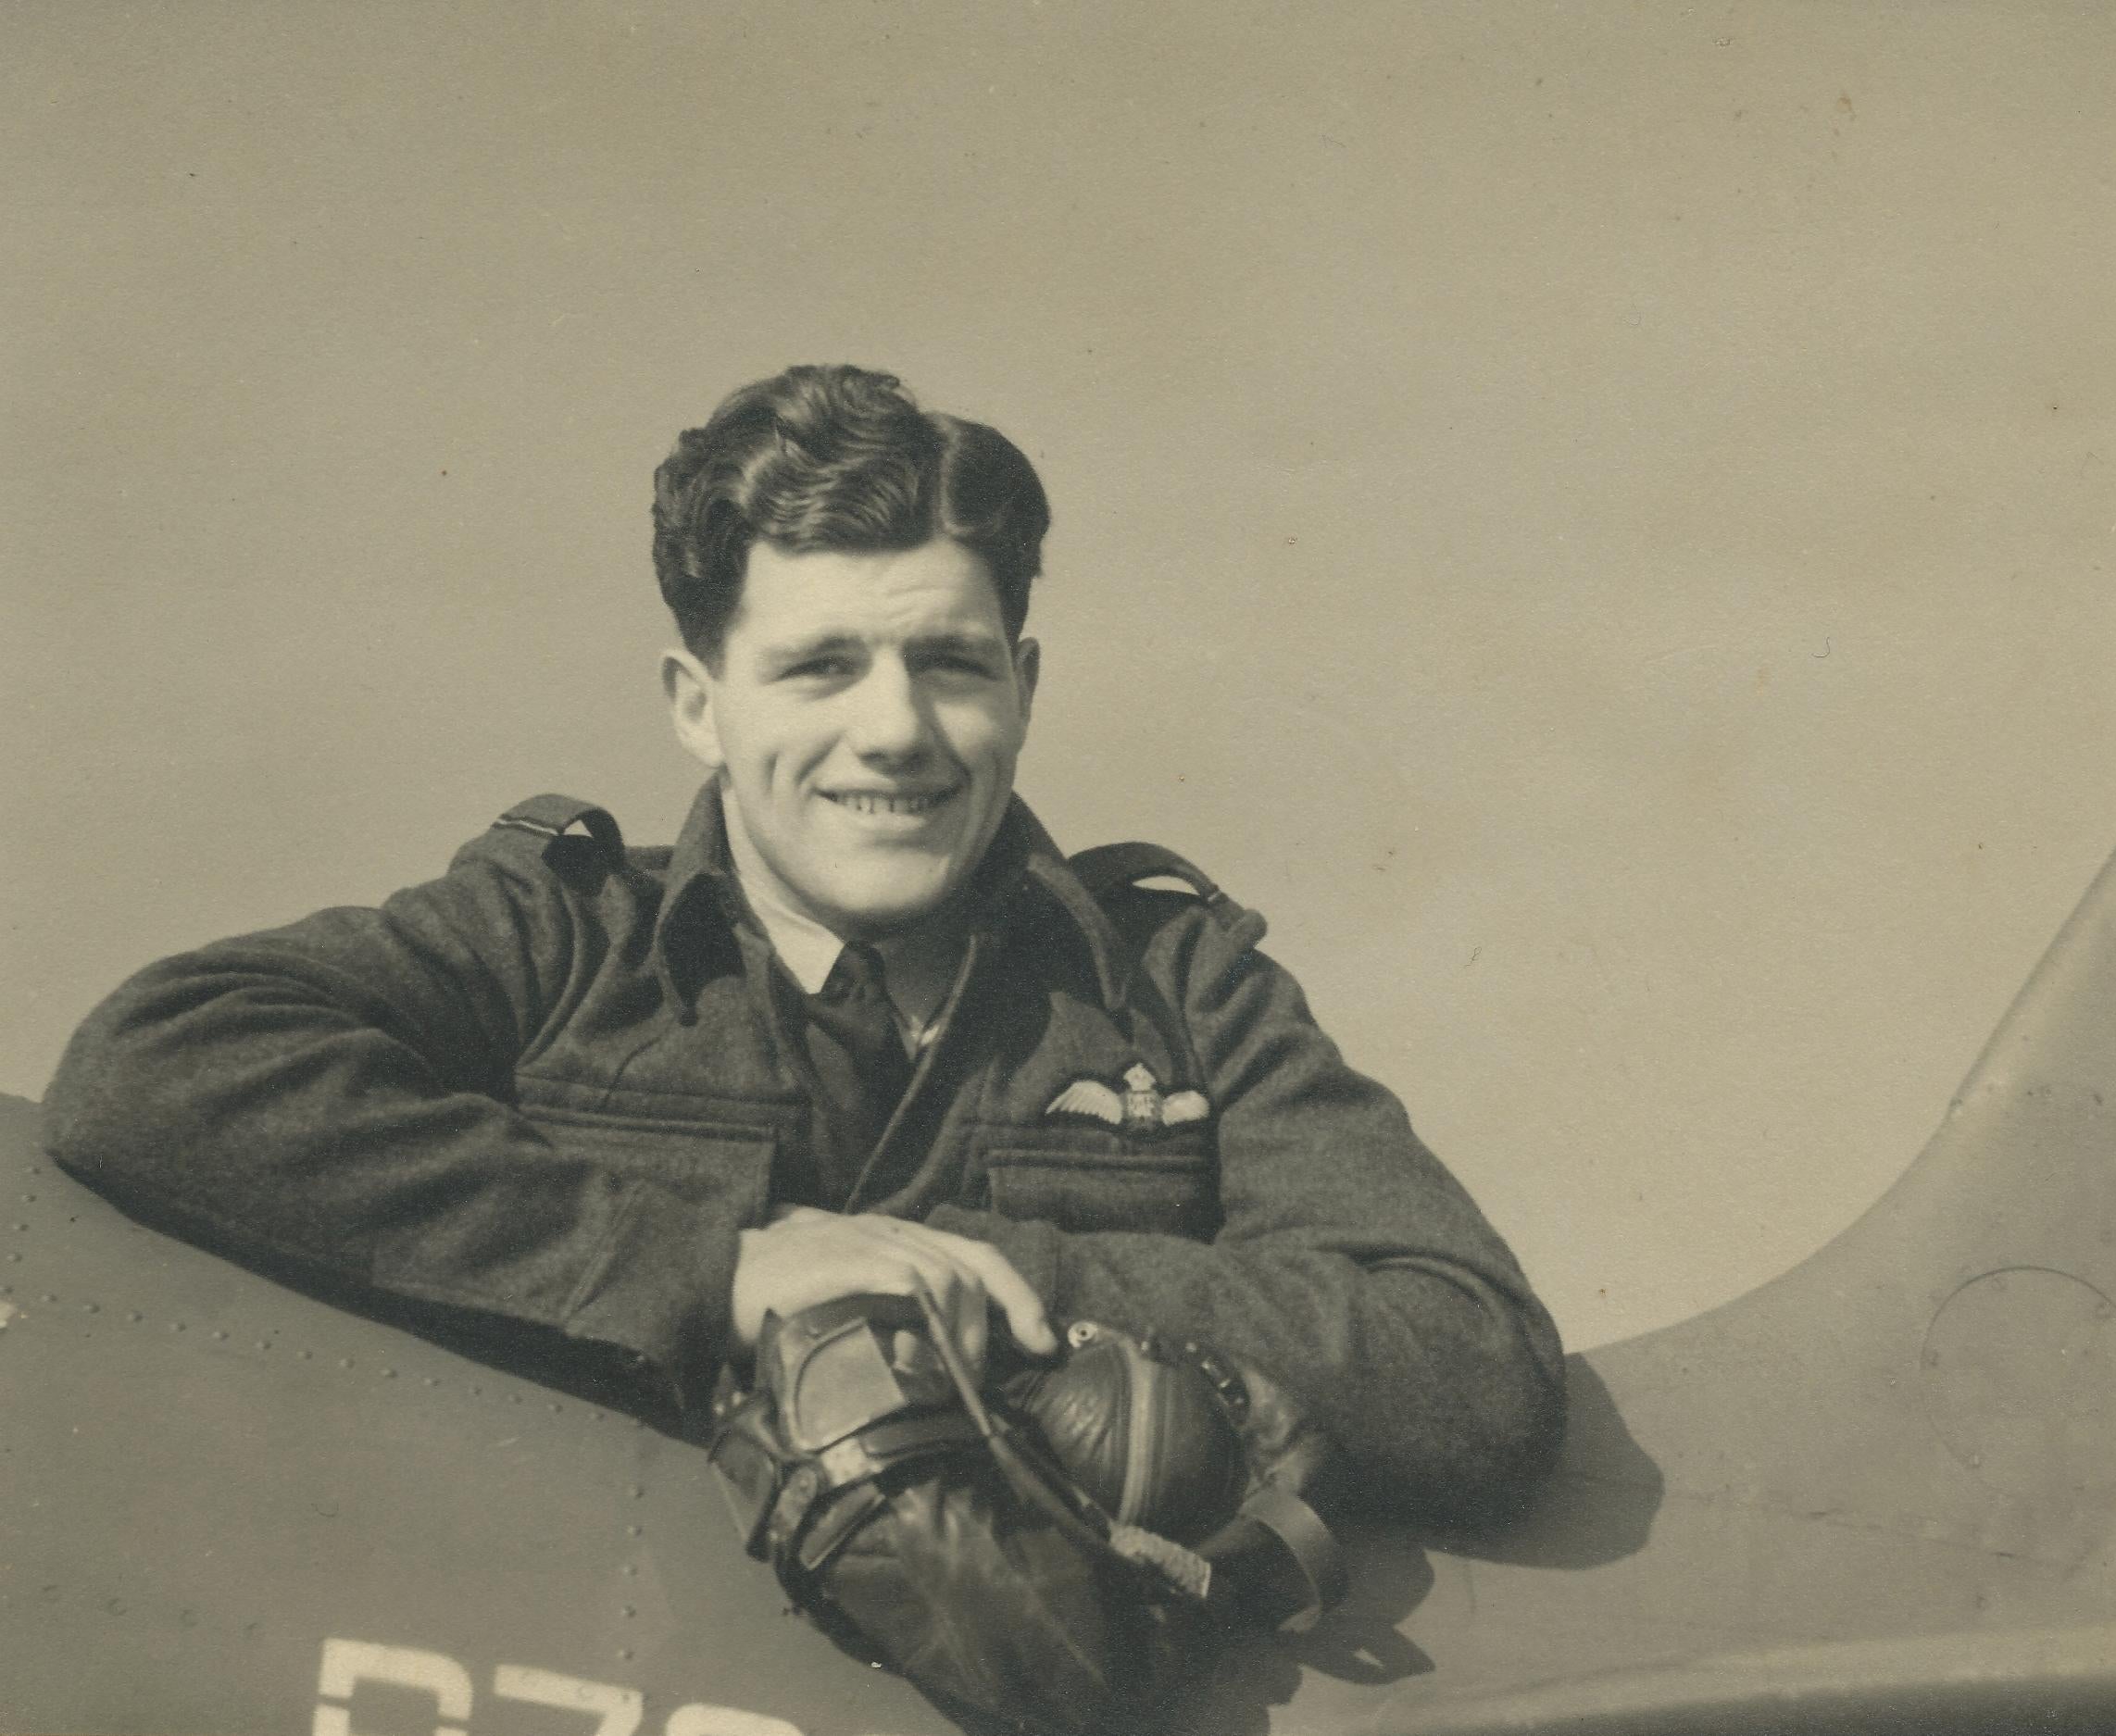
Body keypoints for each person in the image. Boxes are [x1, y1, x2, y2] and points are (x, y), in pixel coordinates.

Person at [43, 365, 1563, 1524]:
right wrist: (719, 1267)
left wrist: (968, 1278)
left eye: (951, 665)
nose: (894, 731)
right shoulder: (560, 940)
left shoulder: (1177, 992)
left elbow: (1472, 1361)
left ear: (1024, 688)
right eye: (821, 666)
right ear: (699, 702)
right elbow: (156, 1062)